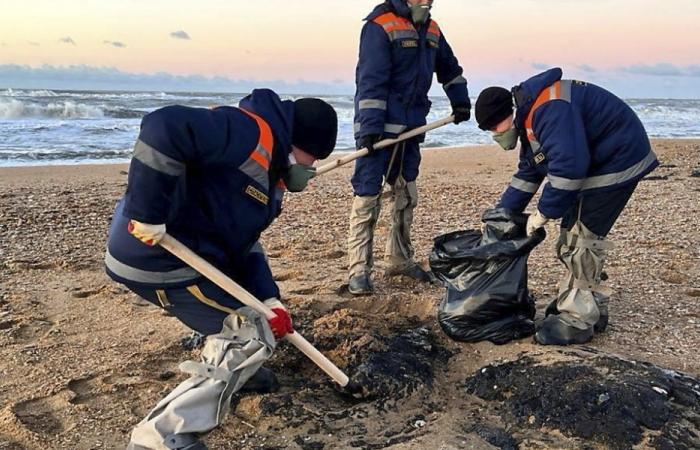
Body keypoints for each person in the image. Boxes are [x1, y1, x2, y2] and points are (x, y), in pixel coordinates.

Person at [104, 88, 338, 449]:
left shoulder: (271, 178)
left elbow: (246, 246)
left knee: (256, 320)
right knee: (250, 333)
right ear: (298, 141)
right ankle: (160, 436)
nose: (310, 169)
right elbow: (162, 127)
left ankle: (239, 371)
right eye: (312, 158)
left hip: (197, 260)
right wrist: (147, 213)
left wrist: (269, 298)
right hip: (158, 256)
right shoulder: (245, 133)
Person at [474, 67, 658, 345]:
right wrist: (502, 215)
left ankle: (578, 319)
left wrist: (542, 214)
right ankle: (590, 304)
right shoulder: (530, 116)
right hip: (600, 159)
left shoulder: (548, 111)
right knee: (572, 234)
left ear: (507, 115)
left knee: (581, 239)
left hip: (618, 160)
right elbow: (530, 172)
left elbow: (569, 169)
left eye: (493, 128)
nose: (494, 135)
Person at [347, 0, 471, 295]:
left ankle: (399, 260)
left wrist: (461, 100)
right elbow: (370, 80)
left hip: (413, 126)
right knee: (367, 195)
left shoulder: (433, 29)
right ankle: (358, 270)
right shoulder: (380, 26)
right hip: (378, 129)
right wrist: (370, 128)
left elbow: (450, 69)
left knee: (405, 192)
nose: (426, 1)